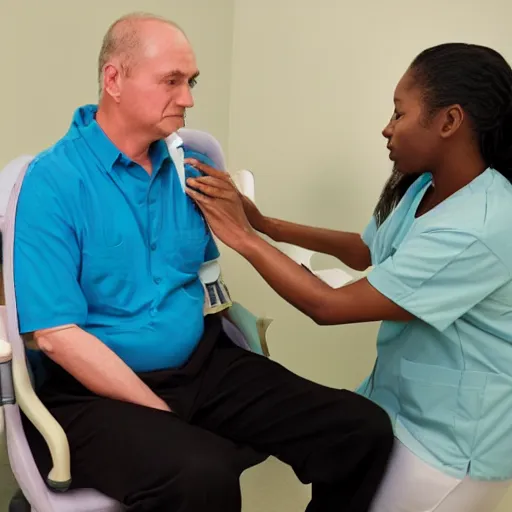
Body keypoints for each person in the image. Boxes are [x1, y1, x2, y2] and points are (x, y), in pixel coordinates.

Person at [13, 12, 394, 512]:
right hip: (90, 392)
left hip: (204, 365)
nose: (189, 98)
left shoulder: (188, 169)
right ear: (114, 79)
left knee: (359, 430)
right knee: (204, 475)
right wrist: (162, 413)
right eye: (171, 81)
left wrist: (252, 226)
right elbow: (57, 337)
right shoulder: (53, 181)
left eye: (191, 82)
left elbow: (207, 277)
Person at [186, 43, 512, 512]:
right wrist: (265, 224)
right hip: (400, 408)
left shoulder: (479, 226)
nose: (388, 126)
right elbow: (367, 251)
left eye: (400, 113)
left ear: (449, 121)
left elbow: (329, 307)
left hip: (453, 445)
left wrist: (242, 238)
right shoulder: (426, 186)